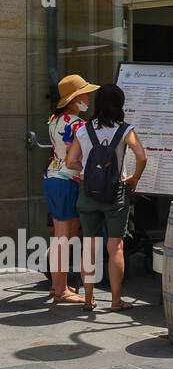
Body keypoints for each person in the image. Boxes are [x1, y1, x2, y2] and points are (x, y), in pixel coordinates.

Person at [64, 84, 147, 313]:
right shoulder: (125, 130)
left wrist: (89, 171)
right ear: (119, 104)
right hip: (116, 192)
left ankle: (89, 299)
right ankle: (116, 300)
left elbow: (70, 162)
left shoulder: (83, 130)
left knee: (89, 246)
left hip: (88, 192)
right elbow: (141, 156)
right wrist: (133, 179)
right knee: (115, 246)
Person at [44, 74, 98, 304]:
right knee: (65, 238)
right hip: (69, 180)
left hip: (52, 178)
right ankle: (60, 290)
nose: (88, 97)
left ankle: (59, 285)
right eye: (84, 93)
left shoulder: (53, 120)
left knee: (60, 236)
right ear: (74, 99)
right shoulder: (79, 125)